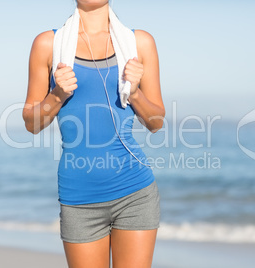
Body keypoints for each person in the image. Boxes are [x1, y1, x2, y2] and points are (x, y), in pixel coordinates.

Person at [22, 0, 165, 267]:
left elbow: (155, 122)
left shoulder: (139, 43)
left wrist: (134, 93)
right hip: (79, 198)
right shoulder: (47, 45)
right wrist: (57, 94)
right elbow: (32, 123)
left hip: (135, 192)